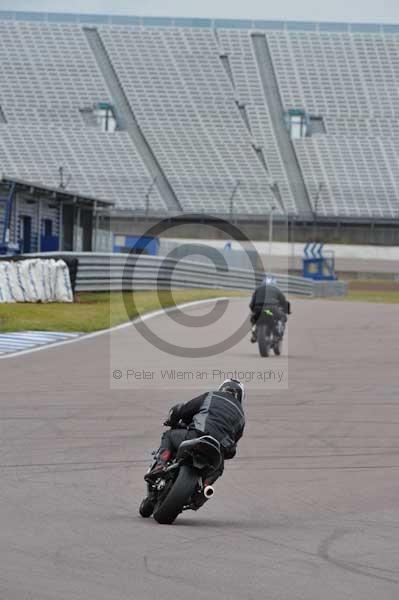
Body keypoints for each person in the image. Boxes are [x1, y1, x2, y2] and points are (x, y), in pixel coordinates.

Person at [143, 379, 246, 507]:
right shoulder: (241, 417)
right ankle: (204, 489)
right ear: (241, 396)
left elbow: (184, 409)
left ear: (222, 389)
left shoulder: (211, 396)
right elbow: (231, 450)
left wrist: (173, 421)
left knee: (169, 435)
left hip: (197, 435)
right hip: (217, 449)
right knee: (219, 468)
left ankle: (160, 464)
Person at [249, 276, 290, 343]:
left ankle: (254, 333)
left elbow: (251, 304)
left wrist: (254, 311)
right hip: (272, 309)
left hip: (258, 309)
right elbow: (283, 302)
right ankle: (279, 334)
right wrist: (287, 311)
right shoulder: (276, 289)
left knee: (253, 319)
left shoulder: (258, 289)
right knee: (283, 317)